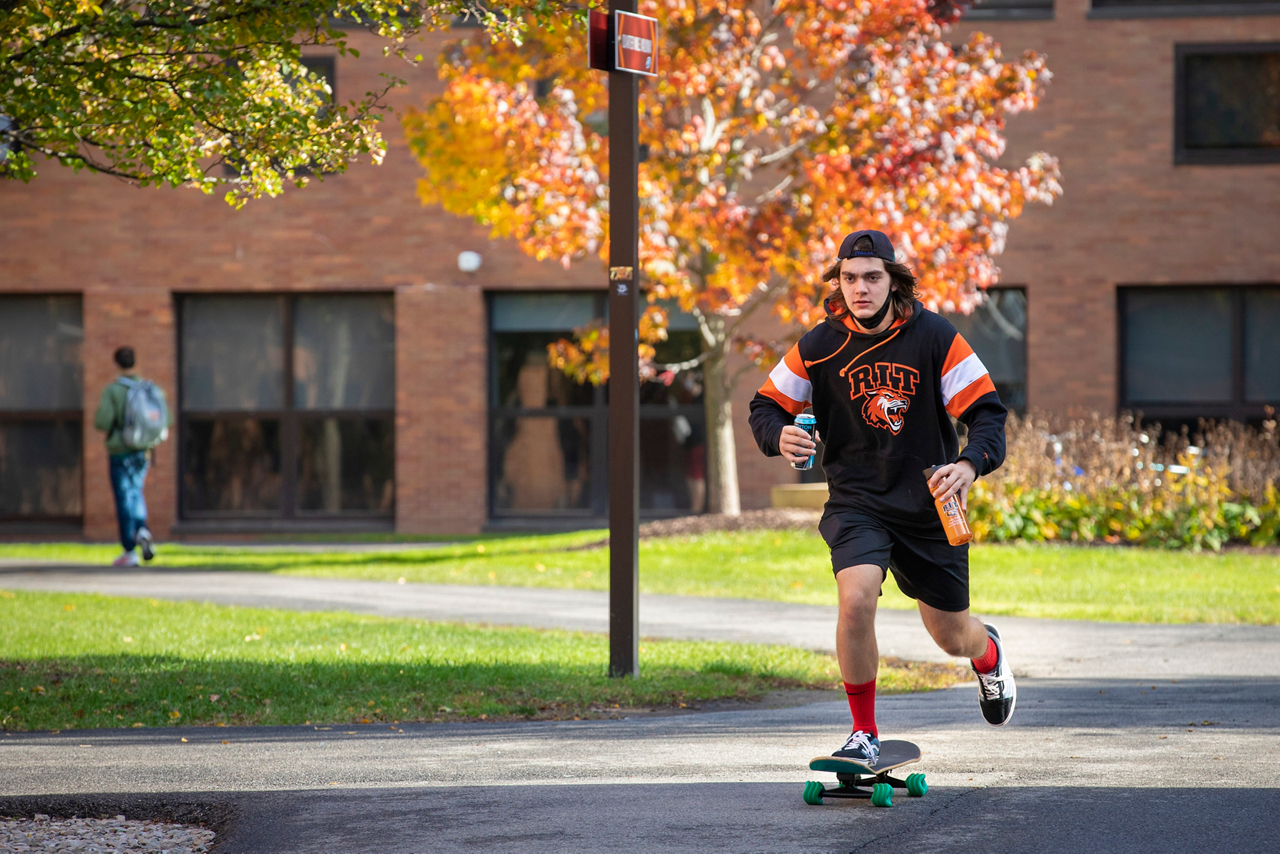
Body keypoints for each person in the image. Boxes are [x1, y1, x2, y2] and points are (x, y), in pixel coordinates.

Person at [748, 230, 1016, 765]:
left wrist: (968, 464)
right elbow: (764, 405)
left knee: (950, 636)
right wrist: (778, 435)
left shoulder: (935, 336)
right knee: (855, 601)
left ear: (894, 281)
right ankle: (863, 732)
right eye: (849, 278)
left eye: (872, 277)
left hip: (928, 506)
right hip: (857, 501)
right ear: (839, 283)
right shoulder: (819, 346)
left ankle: (987, 655)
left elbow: (987, 415)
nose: (860, 289)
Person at [93, 347, 168, 567]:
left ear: (116, 364)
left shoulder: (113, 391)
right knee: (136, 492)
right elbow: (167, 420)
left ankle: (129, 548)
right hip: (143, 450)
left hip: (120, 450)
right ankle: (142, 529)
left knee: (124, 496)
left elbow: (102, 422)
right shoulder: (150, 389)